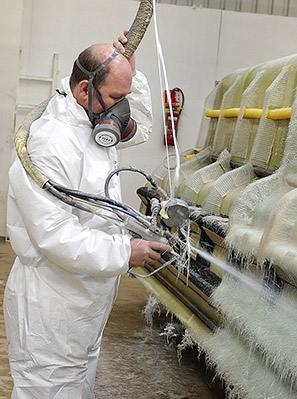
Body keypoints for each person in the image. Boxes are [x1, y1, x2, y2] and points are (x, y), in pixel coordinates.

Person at [3, 32, 171, 398]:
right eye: (115, 98)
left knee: (77, 387)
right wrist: (126, 252)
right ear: (83, 90)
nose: (120, 111)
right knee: (48, 390)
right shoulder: (51, 142)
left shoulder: (91, 120)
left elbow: (138, 127)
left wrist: (130, 69)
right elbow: (57, 237)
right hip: (53, 308)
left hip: (84, 304)